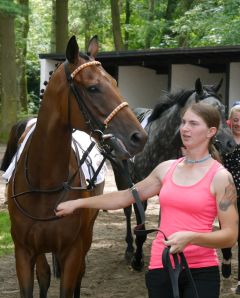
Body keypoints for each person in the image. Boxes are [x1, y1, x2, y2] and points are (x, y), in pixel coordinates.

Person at [56, 102, 238, 298]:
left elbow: (230, 235)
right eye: (183, 122)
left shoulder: (221, 178)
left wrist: (192, 238)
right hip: (161, 266)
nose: (185, 128)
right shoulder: (166, 169)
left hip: (202, 270)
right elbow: (125, 196)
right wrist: (78, 203)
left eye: (193, 124)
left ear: (211, 131)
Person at [221, 101, 240, 294]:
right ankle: (226, 257)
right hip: (227, 194)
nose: (238, 123)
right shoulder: (225, 141)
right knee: (228, 232)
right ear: (230, 122)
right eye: (235, 120)